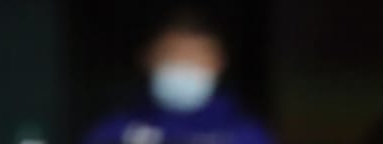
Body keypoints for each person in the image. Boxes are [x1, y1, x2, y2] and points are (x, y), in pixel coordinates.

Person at [83, 12, 273, 144]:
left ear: (219, 63)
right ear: (147, 58)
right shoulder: (114, 131)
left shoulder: (246, 135)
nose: (184, 64)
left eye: (196, 56)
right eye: (173, 55)